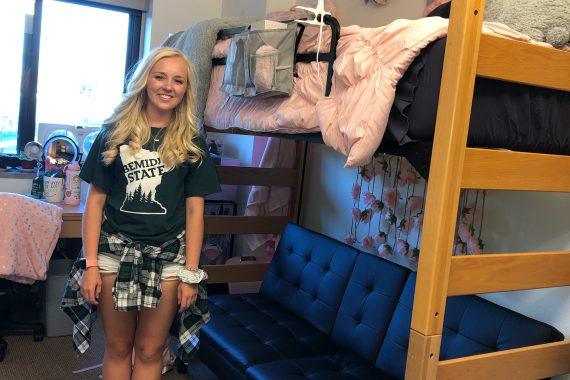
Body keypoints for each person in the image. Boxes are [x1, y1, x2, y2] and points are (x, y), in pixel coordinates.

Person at [62, 47, 221, 380]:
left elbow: (194, 212)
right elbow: (95, 203)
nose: (168, 86)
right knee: (119, 348)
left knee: (150, 350)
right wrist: (90, 265)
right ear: (145, 80)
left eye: (178, 81)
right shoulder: (114, 134)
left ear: (186, 89)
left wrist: (191, 273)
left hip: (168, 257)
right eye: (160, 76)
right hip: (113, 253)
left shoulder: (192, 143)